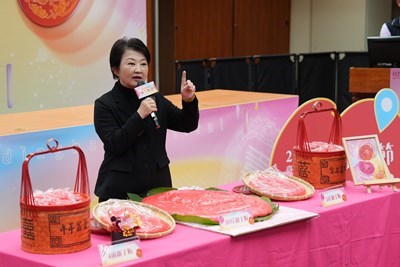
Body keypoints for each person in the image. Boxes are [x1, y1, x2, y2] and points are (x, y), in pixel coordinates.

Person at [93, 37, 199, 202]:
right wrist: (139, 115)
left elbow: (187, 124)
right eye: (131, 63)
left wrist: (188, 100)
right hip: (120, 191)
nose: (138, 69)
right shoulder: (104, 104)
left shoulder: (153, 96)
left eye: (143, 64)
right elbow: (114, 144)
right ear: (115, 69)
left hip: (157, 187)